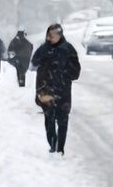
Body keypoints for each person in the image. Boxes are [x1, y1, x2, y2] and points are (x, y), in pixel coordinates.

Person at [31, 24, 81, 155]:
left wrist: (64, 71)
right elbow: (34, 62)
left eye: (53, 35)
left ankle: (60, 149)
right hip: (46, 90)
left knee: (63, 120)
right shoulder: (44, 49)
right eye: (49, 35)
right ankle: (53, 145)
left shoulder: (68, 49)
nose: (50, 37)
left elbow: (76, 72)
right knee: (49, 120)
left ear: (60, 35)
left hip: (63, 90)